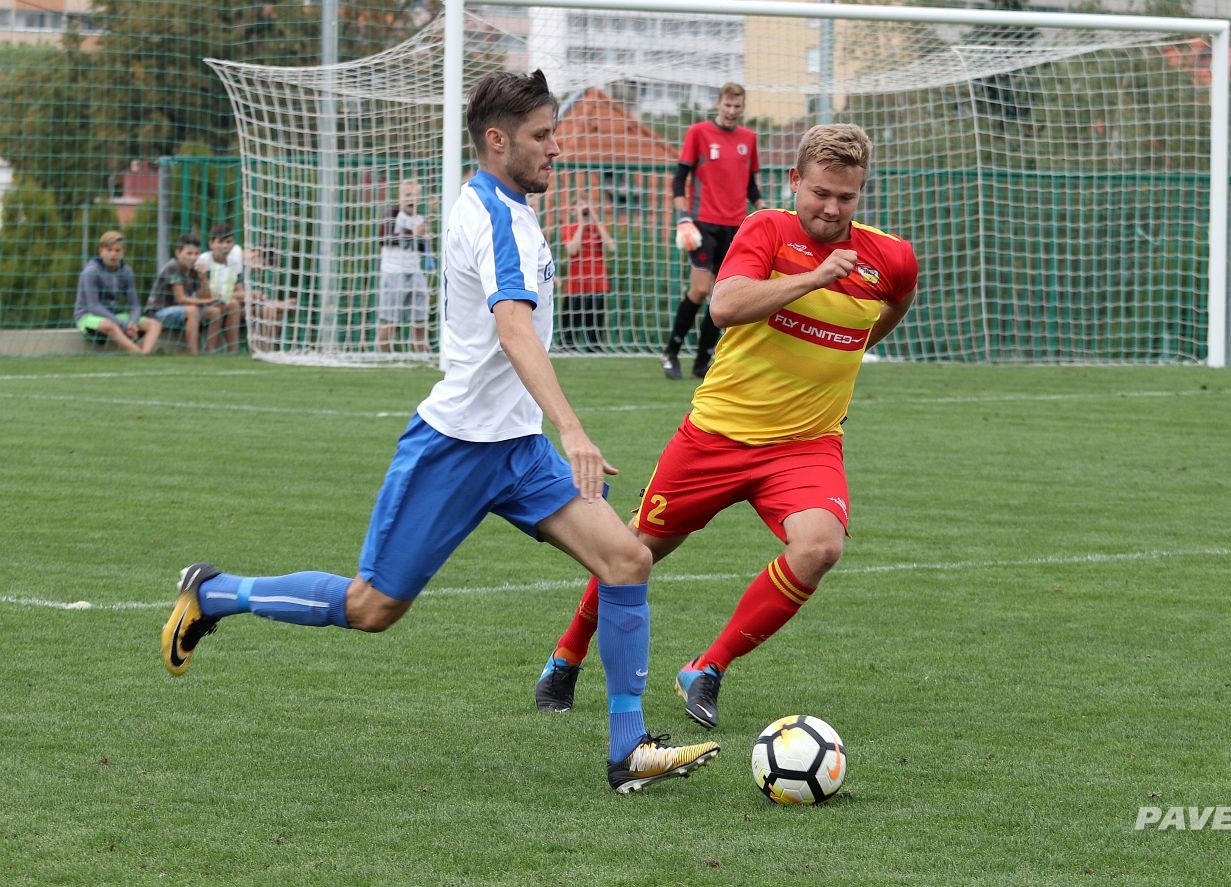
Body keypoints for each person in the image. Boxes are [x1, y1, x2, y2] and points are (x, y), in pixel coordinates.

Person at [161, 69, 720, 795]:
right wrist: (575, 430)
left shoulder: (507, 204)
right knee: (371, 608)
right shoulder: (493, 216)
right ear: (497, 141)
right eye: (541, 136)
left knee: (625, 560)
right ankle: (214, 592)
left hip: (517, 450)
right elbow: (513, 329)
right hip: (455, 447)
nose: (556, 148)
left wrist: (547, 432)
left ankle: (628, 749)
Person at [536, 124, 918, 731]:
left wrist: (841, 346)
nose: (830, 208)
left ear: (861, 192)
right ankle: (567, 654)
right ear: (795, 181)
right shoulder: (766, 229)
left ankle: (707, 668)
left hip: (805, 445)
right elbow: (724, 306)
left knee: (820, 547)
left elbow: (890, 308)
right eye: (820, 193)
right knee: (634, 550)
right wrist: (814, 278)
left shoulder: (891, 258)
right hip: (715, 436)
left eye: (846, 197)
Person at [660, 82, 766, 381]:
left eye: (737, 106)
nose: (731, 111)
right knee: (699, 289)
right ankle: (671, 353)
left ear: (743, 107)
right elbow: (679, 179)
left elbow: (750, 185)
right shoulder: (699, 133)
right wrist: (683, 217)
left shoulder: (748, 138)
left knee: (722, 296)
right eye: (727, 105)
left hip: (735, 227)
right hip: (703, 222)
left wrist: (763, 208)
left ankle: (702, 361)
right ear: (718, 103)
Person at [74, 230, 162, 355]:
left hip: (114, 315)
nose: (113, 254)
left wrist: (132, 322)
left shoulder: (126, 271)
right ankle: (138, 354)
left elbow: (135, 305)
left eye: (117, 250)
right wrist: (123, 324)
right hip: (88, 316)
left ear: (123, 252)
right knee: (110, 325)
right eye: (109, 250)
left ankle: (145, 353)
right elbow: (94, 306)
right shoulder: (91, 272)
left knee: (154, 325)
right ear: (101, 251)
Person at [375, 178, 433, 354]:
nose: (411, 199)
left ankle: (423, 356)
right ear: (400, 197)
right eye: (407, 195)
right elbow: (384, 238)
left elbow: (421, 249)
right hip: (393, 274)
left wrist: (424, 238)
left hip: (415, 273)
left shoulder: (420, 219)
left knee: (420, 322)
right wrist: (411, 233)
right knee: (390, 322)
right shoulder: (392, 215)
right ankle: (382, 357)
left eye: (414, 195)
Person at [145, 232, 223, 354]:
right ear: (178, 253)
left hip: (182, 310)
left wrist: (203, 278)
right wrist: (208, 300)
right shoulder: (172, 267)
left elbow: (205, 297)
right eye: (189, 253)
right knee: (192, 311)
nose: (193, 257)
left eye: (196, 254)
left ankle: (210, 351)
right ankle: (194, 354)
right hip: (159, 312)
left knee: (215, 312)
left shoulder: (194, 270)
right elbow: (181, 299)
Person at [557, 202, 615, 352]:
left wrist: (595, 220)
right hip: (577, 282)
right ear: (573, 211)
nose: (585, 209)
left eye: (586, 206)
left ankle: (594, 346)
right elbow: (572, 250)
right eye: (580, 206)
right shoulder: (569, 228)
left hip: (597, 281)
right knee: (572, 315)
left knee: (595, 317)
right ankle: (567, 345)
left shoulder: (598, 228)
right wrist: (581, 225)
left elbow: (611, 247)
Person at [196, 223, 246, 354]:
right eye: (220, 242)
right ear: (211, 243)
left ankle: (233, 351)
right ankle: (212, 350)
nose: (225, 246)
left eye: (228, 242)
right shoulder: (203, 260)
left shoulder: (234, 261)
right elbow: (205, 296)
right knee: (231, 305)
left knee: (238, 304)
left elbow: (240, 291)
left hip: (224, 302)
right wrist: (204, 279)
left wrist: (252, 295)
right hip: (202, 304)